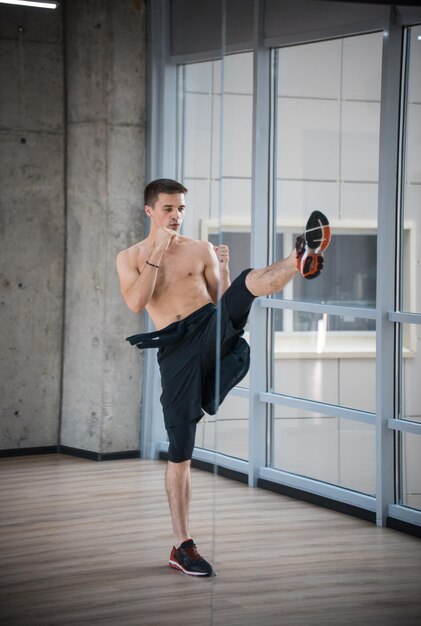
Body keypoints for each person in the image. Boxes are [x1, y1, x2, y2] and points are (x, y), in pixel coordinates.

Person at [116, 178, 331, 577]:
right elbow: (135, 302)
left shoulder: (199, 250)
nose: (177, 215)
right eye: (168, 208)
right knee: (181, 449)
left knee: (246, 284)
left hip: (209, 327)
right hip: (176, 350)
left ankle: (297, 258)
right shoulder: (129, 257)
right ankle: (181, 544)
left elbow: (222, 300)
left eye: (181, 208)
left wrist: (226, 268)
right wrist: (158, 252)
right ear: (149, 211)